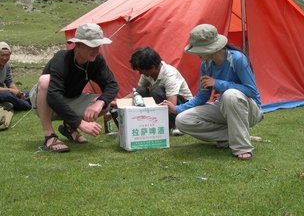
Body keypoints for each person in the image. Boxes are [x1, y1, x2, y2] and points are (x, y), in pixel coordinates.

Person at [161, 24, 263, 160]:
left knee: (230, 95)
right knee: (182, 120)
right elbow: (201, 97)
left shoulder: (237, 59)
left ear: (209, 49)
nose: (196, 54)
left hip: (250, 110)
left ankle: (242, 147)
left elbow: (251, 91)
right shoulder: (206, 65)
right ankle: (234, 134)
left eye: (198, 51)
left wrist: (217, 83)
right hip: (224, 107)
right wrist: (177, 109)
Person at [29, 23, 119, 152]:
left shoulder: (97, 61)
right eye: (91, 46)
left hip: (68, 100)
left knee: (106, 103)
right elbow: (54, 97)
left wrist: (99, 102)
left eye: (98, 46)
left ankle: (69, 127)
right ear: (78, 45)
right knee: (45, 81)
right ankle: (49, 136)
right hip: (44, 101)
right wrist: (80, 123)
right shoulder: (61, 59)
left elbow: (112, 85)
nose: (96, 50)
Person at [126, 46, 193, 136]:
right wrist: (118, 102)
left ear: (152, 67)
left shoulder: (169, 74)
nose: (140, 73)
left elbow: (171, 104)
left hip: (183, 106)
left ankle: (175, 126)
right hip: (165, 103)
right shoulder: (147, 73)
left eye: (141, 70)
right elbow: (137, 92)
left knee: (156, 90)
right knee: (141, 92)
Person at [0, 41, 32, 111]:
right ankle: (28, 106)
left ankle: (7, 104)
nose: (5, 58)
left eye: (7, 55)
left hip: (4, 91)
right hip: (3, 93)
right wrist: (11, 91)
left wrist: (18, 92)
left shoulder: (7, 65)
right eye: (2, 55)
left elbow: (9, 82)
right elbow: (9, 90)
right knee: (7, 95)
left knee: (30, 92)